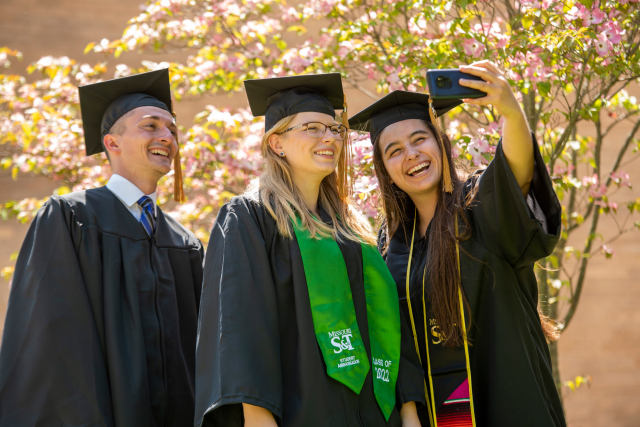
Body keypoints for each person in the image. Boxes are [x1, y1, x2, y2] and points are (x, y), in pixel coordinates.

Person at [194, 73, 425, 427]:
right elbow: (241, 334)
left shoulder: (354, 230)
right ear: (277, 144)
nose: (329, 138)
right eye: (313, 128)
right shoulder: (250, 218)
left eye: (335, 130)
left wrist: (409, 416)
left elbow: (390, 329)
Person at [348, 61, 566, 427]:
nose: (411, 155)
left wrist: (510, 111)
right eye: (394, 150)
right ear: (384, 169)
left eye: (419, 139)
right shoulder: (390, 245)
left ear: (441, 143)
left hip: (506, 400)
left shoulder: (478, 206)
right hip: (435, 415)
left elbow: (517, 172)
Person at [0, 69, 204, 427]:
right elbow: (51, 336)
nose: (167, 137)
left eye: (172, 129)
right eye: (151, 125)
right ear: (112, 143)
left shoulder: (183, 243)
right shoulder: (69, 218)